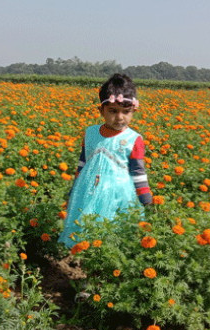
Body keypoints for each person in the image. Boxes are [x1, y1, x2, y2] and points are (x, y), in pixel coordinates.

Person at [58, 73, 152, 248]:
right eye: (113, 111)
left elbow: (138, 172)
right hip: (87, 190)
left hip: (118, 193)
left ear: (134, 111)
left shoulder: (133, 139)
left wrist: (145, 198)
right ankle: (85, 254)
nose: (120, 117)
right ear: (101, 110)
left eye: (126, 112)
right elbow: (82, 162)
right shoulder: (90, 133)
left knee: (115, 230)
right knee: (85, 224)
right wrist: (74, 190)